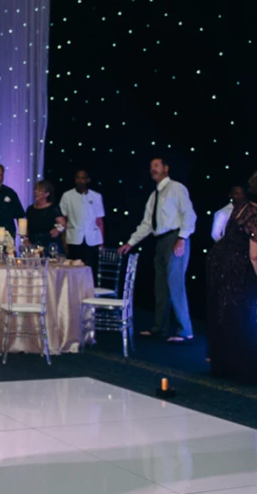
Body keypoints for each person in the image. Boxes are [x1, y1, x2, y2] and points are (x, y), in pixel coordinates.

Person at [119, 157, 197, 342]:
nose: (152, 169)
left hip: (174, 238)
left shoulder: (176, 188)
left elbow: (189, 214)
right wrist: (130, 243)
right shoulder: (154, 196)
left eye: (156, 165)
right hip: (160, 241)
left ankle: (185, 330)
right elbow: (146, 224)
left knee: (175, 284)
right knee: (160, 285)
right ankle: (159, 327)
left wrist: (182, 238)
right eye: (150, 166)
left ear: (166, 168)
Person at [206, 172, 257, 382]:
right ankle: (242, 367)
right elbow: (254, 255)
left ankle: (223, 364)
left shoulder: (241, 206)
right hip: (236, 266)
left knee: (223, 312)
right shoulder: (254, 213)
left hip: (219, 261)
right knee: (240, 314)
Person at [59, 170, 105, 271]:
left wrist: (101, 242)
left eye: (83, 178)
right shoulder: (67, 196)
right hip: (74, 238)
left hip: (92, 239)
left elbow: (99, 221)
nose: (80, 181)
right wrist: (63, 239)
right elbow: (63, 220)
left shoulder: (96, 196)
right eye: (78, 178)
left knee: (90, 269)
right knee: (73, 269)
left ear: (88, 180)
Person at [25, 179, 66, 254]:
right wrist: (26, 239)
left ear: (47, 194)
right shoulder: (30, 209)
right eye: (35, 189)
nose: (36, 192)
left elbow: (63, 224)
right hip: (34, 245)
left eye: (40, 190)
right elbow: (27, 227)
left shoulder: (53, 208)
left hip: (50, 244)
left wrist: (57, 230)